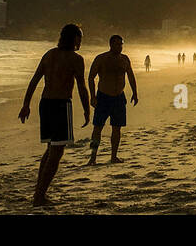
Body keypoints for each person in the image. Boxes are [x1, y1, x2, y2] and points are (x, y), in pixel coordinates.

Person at [19, 24, 91, 206]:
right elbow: (81, 86)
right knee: (57, 152)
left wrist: (26, 104)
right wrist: (87, 109)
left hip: (45, 104)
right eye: (79, 37)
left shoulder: (49, 54)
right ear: (74, 38)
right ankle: (39, 196)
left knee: (50, 149)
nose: (80, 41)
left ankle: (39, 192)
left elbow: (34, 80)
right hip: (60, 105)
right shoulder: (76, 59)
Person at [86, 35, 139, 165]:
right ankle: (93, 157)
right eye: (117, 44)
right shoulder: (101, 59)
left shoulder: (124, 59)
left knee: (117, 128)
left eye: (121, 44)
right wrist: (92, 96)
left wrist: (135, 93)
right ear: (110, 45)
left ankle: (113, 156)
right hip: (103, 97)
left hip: (119, 97)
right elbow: (90, 77)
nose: (119, 47)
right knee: (97, 128)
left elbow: (131, 76)